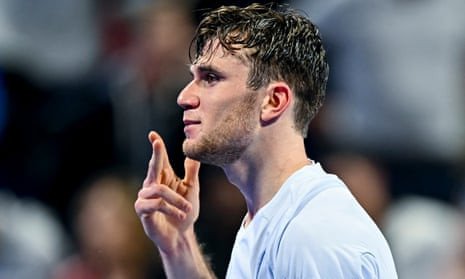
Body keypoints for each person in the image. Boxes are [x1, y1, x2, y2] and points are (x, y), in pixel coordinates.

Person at [134, 3, 398, 278]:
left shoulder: (315, 235)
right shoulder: (272, 217)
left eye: (211, 78)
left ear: (273, 101)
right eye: (194, 77)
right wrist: (179, 244)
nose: (184, 97)